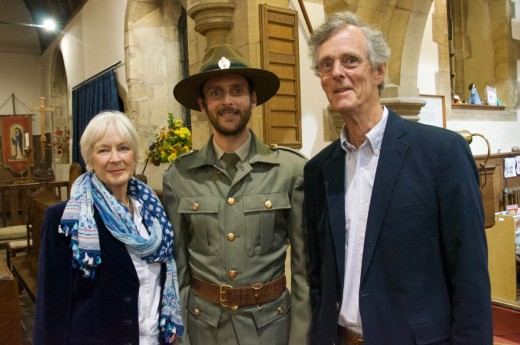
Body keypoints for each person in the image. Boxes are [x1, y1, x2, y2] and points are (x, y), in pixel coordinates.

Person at [304, 11, 492, 345]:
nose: (337, 73)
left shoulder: (441, 153)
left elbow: (469, 275)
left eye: (350, 60)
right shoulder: (320, 170)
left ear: (378, 71)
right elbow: (319, 276)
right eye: (326, 65)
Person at [163, 44, 310, 345]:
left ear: (253, 99)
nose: (227, 101)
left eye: (237, 91)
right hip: (204, 328)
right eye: (216, 93)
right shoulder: (180, 176)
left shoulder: (289, 170)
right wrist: (179, 337)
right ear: (202, 105)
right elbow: (176, 270)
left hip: (271, 328)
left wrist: (300, 337)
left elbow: (304, 270)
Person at [33, 111, 183, 344]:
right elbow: (50, 307)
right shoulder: (66, 218)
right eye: (103, 150)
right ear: (90, 160)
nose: (115, 158)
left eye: (123, 148)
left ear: (134, 156)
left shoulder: (154, 215)